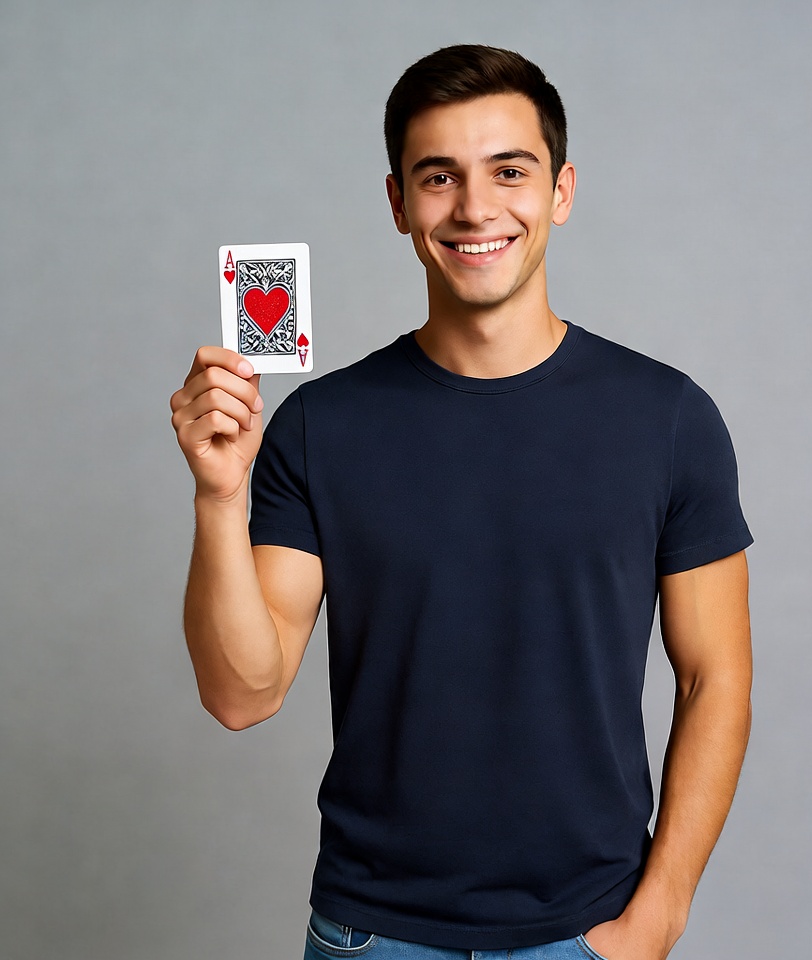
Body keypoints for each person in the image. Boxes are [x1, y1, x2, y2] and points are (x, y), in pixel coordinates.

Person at [170, 44, 753, 960]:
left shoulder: (669, 418)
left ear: (561, 191)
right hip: (372, 934)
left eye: (509, 171)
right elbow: (243, 693)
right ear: (399, 204)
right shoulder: (322, 425)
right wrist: (218, 496)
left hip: (589, 933)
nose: (476, 208)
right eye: (439, 176)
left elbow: (713, 678)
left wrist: (659, 916)